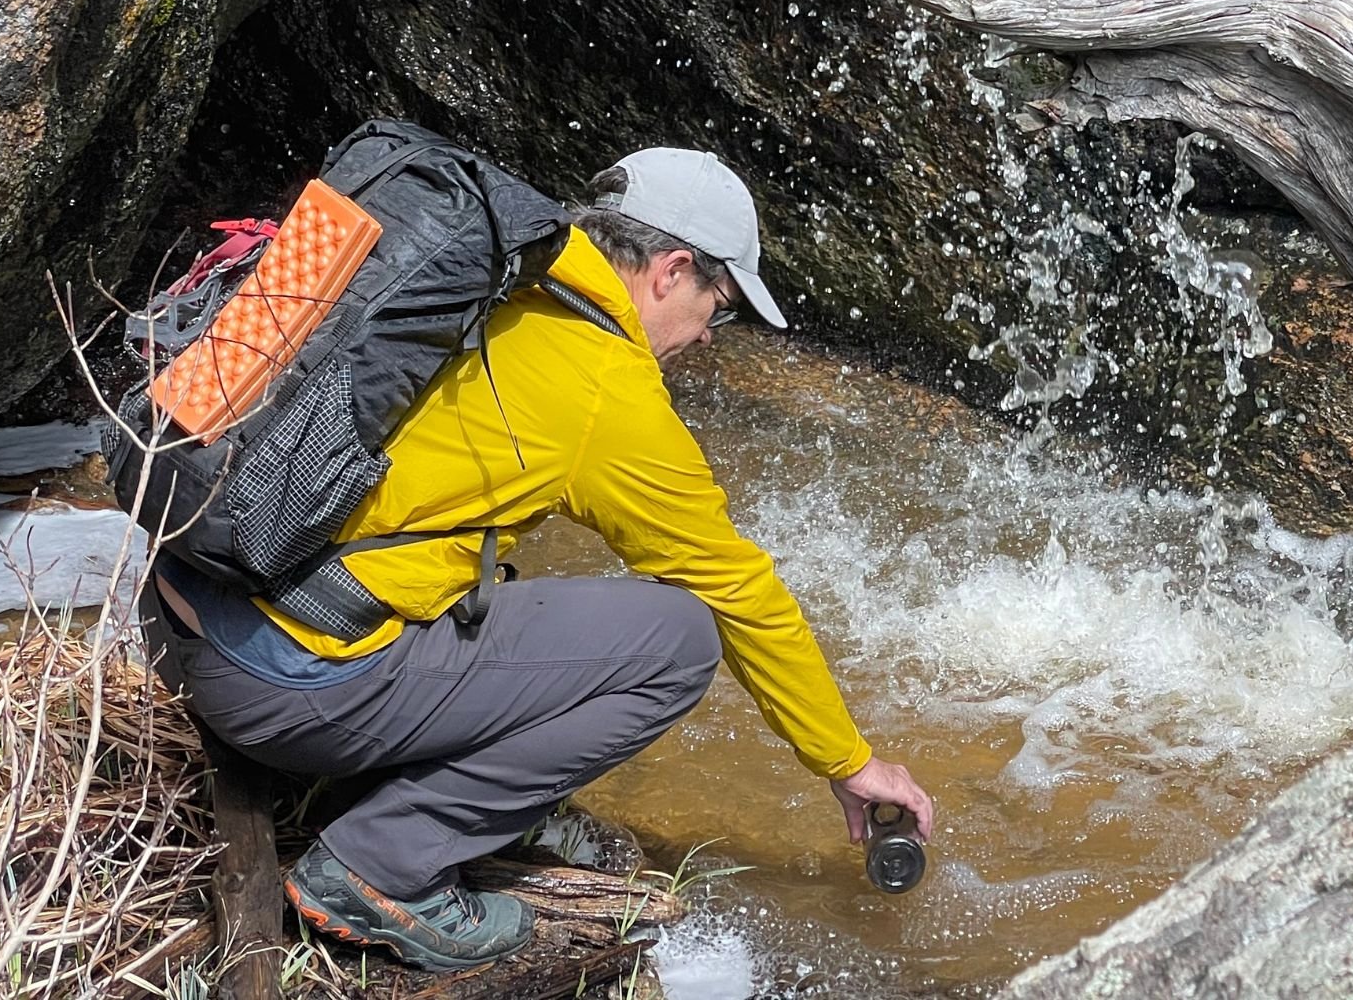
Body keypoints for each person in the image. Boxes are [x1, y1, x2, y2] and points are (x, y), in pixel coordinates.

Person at [139, 147, 934, 971]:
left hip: (174, 605)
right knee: (678, 641)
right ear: (671, 271)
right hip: (276, 689)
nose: (705, 336)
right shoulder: (604, 386)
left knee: (510, 588)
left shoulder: (482, 277)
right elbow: (740, 593)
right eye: (719, 309)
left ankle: (374, 787)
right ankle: (380, 868)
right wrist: (849, 762)